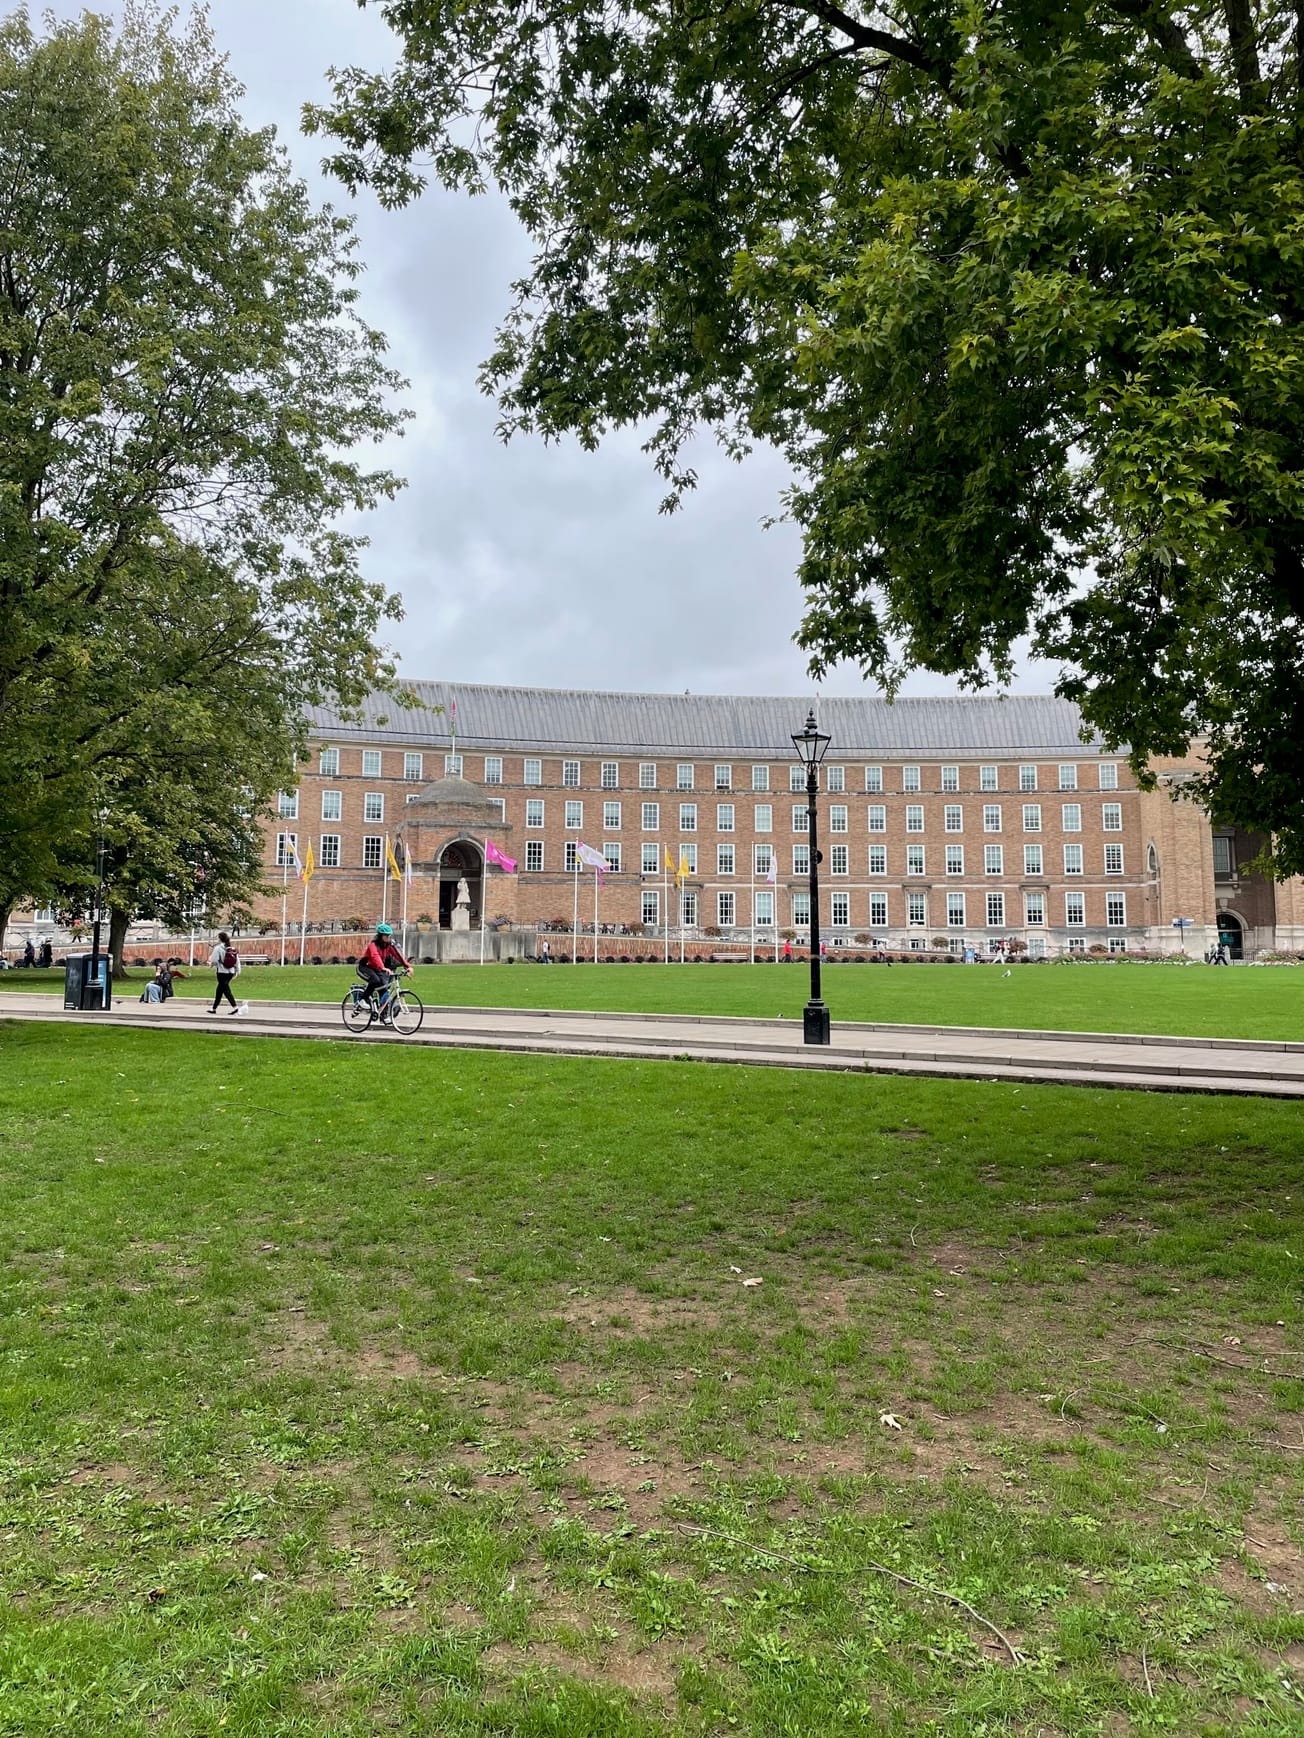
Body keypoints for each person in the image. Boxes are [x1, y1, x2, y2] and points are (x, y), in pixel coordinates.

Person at [357, 922, 412, 1009]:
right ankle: (362, 1000)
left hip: (377, 969)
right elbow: (375, 956)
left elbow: (398, 955)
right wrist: (383, 968)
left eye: (389, 936)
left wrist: (407, 966)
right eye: (386, 936)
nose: (388, 938)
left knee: (383, 988)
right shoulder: (373, 945)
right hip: (365, 967)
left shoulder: (388, 945)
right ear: (380, 936)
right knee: (375, 980)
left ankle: (383, 1015)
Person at [209, 931, 246, 1015]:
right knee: (220, 990)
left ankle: (235, 1007)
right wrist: (237, 971)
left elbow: (214, 960)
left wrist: (211, 964)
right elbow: (237, 961)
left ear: (220, 939)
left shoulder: (218, 948)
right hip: (231, 972)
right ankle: (214, 1008)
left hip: (222, 971)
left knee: (226, 990)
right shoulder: (232, 949)